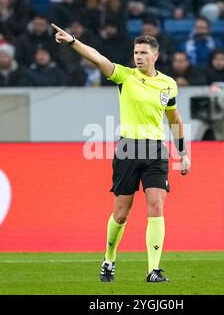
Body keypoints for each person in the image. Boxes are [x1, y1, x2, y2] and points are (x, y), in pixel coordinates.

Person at [51, 23, 191, 282]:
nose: (138, 57)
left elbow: (174, 119)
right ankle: (109, 258)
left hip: (156, 151)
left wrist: (182, 152)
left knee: (156, 206)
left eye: (143, 53)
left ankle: (153, 270)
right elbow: (98, 58)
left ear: (155, 56)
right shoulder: (125, 77)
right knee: (121, 213)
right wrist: (73, 41)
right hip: (128, 149)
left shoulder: (168, 84)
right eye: (136, 52)